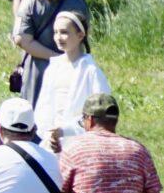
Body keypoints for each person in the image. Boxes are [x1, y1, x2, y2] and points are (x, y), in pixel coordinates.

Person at [9, 0, 91, 98]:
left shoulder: (30, 2)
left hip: (39, 72)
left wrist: (54, 57)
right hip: (73, 66)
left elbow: (21, 39)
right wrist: (64, 58)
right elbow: (84, 32)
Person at [32, 11, 112, 148]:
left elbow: (100, 113)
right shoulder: (53, 68)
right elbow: (44, 106)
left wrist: (66, 131)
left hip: (81, 144)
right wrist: (49, 134)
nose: (58, 37)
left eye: (64, 32)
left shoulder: (91, 71)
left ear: (80, 35)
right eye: (55, 32)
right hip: (52, 143)